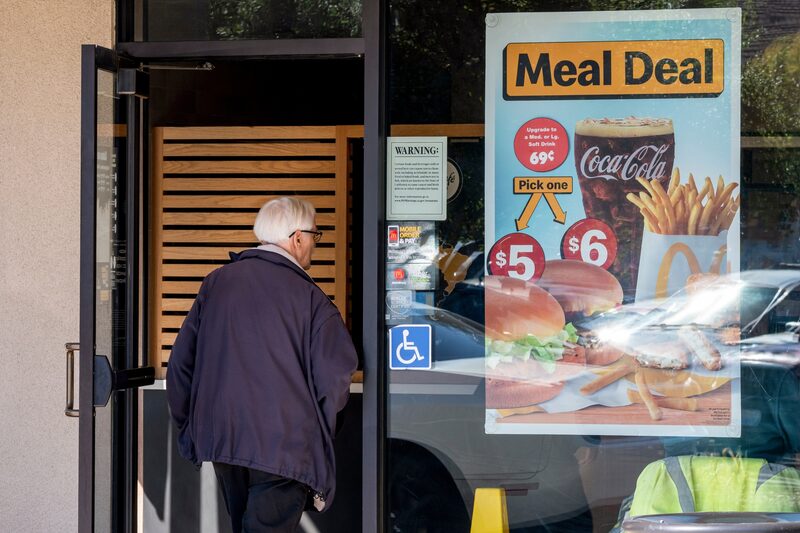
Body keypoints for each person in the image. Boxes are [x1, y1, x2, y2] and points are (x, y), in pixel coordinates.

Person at [167, 197, 358, 532]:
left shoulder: (216, 284)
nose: (315, 244)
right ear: (298, 238)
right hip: (284, 446)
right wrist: (317, 435)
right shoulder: (312, 300)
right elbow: (335, 378)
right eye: (316, 236)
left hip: (224, 439)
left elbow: (181, 365)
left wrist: (190, 432)